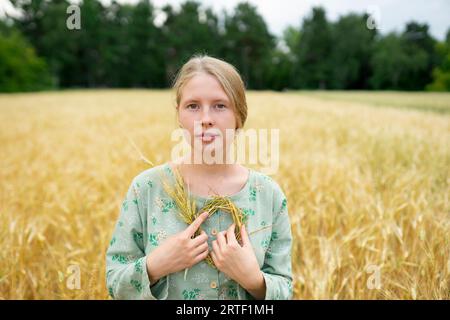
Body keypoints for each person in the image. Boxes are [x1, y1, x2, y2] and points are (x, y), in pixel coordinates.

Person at [106, 54, 293, 300]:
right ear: (179, 115)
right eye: (193, 106)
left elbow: (285, 289)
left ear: (239, 115)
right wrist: (155, 265)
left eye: (220, 105)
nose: (205, 119)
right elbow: (114, 283)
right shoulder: (147, 188)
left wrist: (253, 280)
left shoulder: (268, 195)